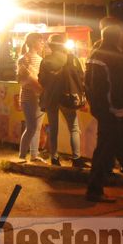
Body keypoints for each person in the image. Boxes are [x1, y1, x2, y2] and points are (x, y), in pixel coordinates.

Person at [85, 26, 123, 202]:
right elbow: (114, 88)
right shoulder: (112, 58)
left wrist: (97, 107)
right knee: (106, 153)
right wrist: (120, 109)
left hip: (103, 110)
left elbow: (88, 85)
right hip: (113, 112)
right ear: (118, 38)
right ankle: (94, 191)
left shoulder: (94, 54)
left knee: (120, 151)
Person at [38, 34, 86, 168]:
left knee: (53, 128)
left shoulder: (45, 61)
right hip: (68, 96)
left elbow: (42, 80)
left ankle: (54, 158)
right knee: (74, 128)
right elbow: (81, 76)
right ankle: (76, 158)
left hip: (51, 97)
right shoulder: (72, 59)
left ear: (51, 46)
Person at [16, 33, 45, 163]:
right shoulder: (24, 59)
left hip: (39, 97)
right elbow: (24, 80)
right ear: (33, 42)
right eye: (40, 41)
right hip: (28, 98)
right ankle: (22, 155)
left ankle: (34, 155)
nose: (42, 43)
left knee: (37, 127)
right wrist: (40, 89)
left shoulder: (40, 59)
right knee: (31, 127)